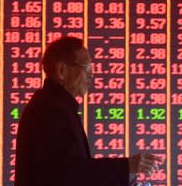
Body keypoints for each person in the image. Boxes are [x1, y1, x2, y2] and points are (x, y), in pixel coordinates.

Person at [14, 36, 163, 186]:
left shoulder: (55, 105)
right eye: (86, 67)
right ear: (62, 70)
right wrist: (126, 166)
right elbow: (69, 174)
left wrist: (126, 174)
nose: (91, 74)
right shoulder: (49, 111)